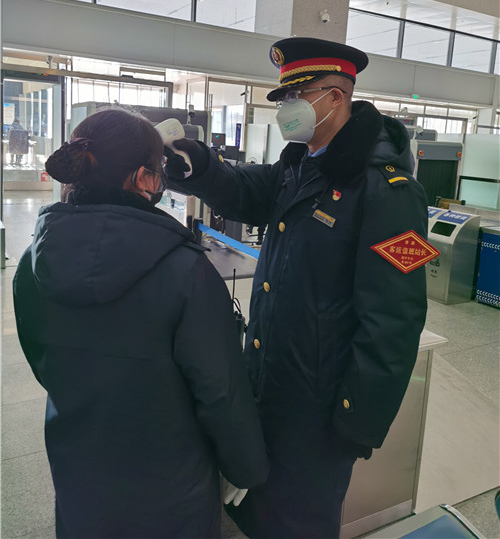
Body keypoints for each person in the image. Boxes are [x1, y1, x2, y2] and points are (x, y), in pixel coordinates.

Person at [164, 37, 429, 539]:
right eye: (284, 97)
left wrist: (355, 424)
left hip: (321, 412)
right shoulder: (300, 166)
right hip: (271, 382)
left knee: (300, 522)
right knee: (261, 511)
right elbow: (245, 190)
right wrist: (199, 167)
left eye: (297, 95)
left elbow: (394, 321)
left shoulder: (388, 191)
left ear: (336, 96)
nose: (287, 107)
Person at [12, 107, 269, 539]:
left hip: (79, 463)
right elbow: (220, 390)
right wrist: (246, 466)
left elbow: (41, 358)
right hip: (171, 481)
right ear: (145, 180)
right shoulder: (186, 272)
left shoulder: (31, 263)